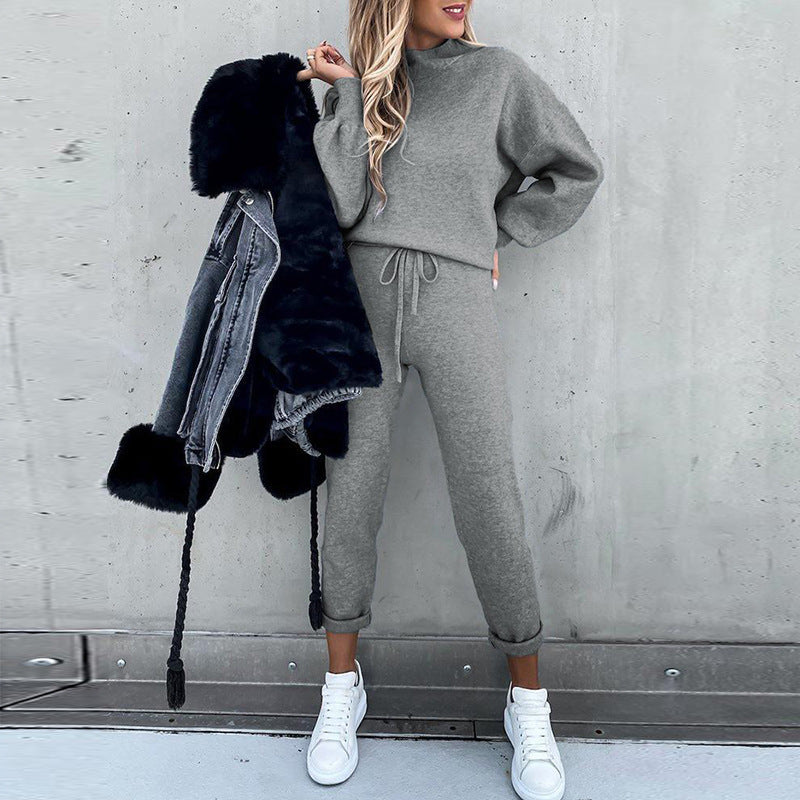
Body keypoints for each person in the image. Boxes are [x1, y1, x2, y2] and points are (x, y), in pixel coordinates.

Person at [296, 2, 603, 797]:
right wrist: (347, 91)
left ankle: (528, 703)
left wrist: (494, 231)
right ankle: (340, 689)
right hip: (360, 301)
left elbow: (575, 170)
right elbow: (341, 204)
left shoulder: (498, 77)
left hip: (456, 298)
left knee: (488, 495)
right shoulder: (370, 86)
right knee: (351, 493)